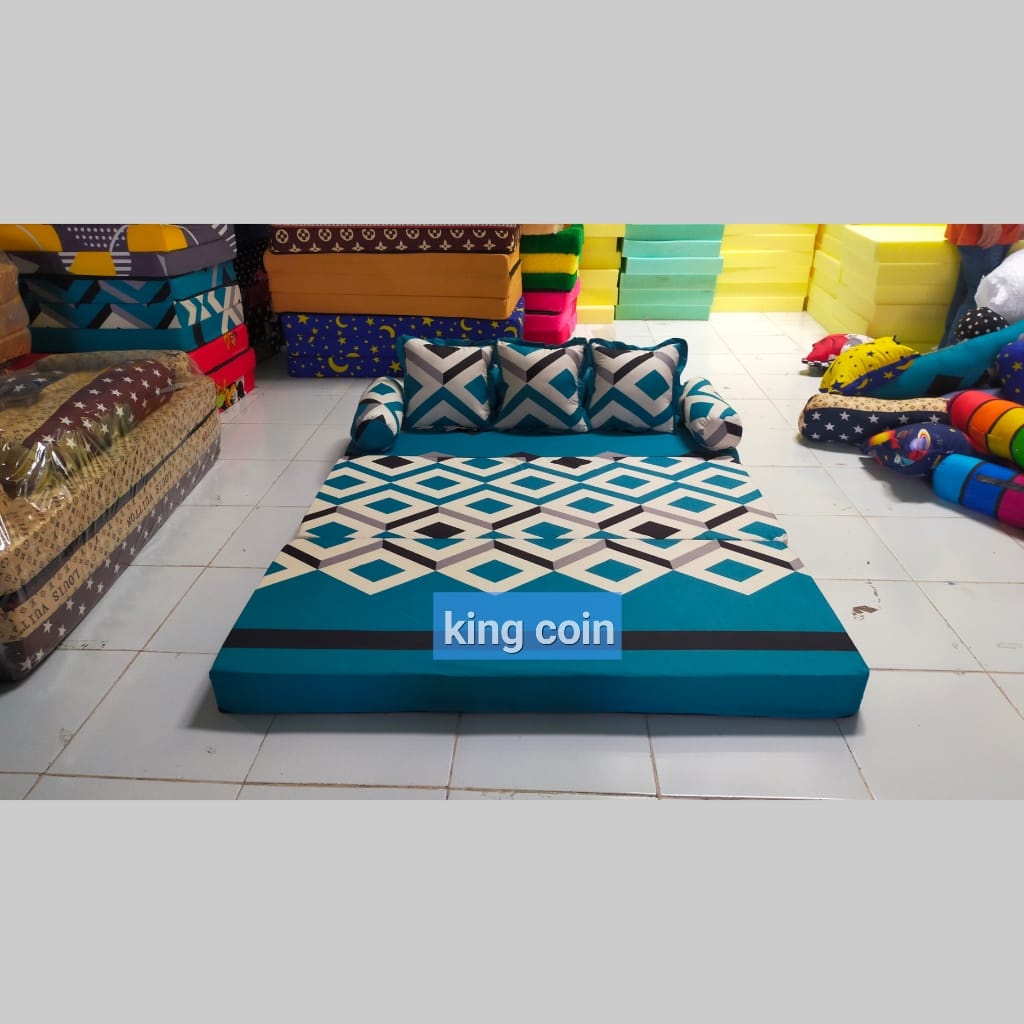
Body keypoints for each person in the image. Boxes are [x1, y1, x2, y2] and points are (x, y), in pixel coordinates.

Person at [939, 224, 1023, 348]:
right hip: (984, 230)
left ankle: (947, 349)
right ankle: (953, 350)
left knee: (968, 293)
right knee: (979, 296)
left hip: (997, 229)